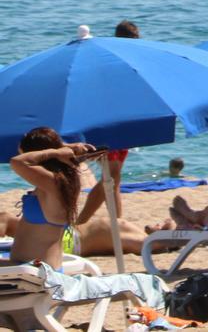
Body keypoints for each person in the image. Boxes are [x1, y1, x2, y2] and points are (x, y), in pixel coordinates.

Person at [77, 20, 141, 225]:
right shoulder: (114, 61)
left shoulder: (127, 61)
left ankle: (118, 221)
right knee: (110, 178)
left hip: (122, 124)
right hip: (110, 125)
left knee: (114, 178)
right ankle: (81, 222)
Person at [6, 127, 94, 268]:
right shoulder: (64, 180)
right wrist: (62, 148)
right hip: (37, 268)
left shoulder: (53, 183)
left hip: (33, 274)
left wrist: (55, 152)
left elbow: (17, 162)